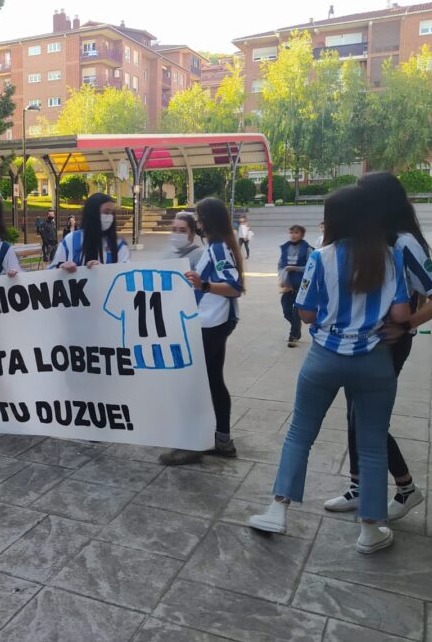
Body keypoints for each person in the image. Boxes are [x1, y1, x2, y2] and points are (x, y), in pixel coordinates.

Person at [248, 185, 410, 554]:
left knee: (299, 434)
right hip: (375, 360)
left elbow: (305, 313)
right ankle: (371, 530)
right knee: (372, 444)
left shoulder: (321, 257)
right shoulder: (391, 257)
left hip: (324, 357)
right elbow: (401, 313)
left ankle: (278, 510)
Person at [324, 172, 432, 521]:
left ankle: (406, 488)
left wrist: (406, 325)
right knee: (353, 415)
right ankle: (358, 486)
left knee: (367, 418)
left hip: (388, 346)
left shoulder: (403, 242)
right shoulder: (372, 239)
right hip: (362, 343)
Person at [159, 198, 244, 465]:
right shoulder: (218, 247)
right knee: (213, 381)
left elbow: (235, 287)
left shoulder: (219, 249)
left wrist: (203, 285)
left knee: (192, 384)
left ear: (207, 221)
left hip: (210, 324)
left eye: (199, 218)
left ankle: (192, 444)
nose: (197, 223)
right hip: (211, 322)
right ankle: (222, 441)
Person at [51, 193, 130, 270]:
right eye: (106, 212)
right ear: (92, 213)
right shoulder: (70, 241)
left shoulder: (119, 244)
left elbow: (126, 273)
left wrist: (103, 271)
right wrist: (61, 267)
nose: (110, 217)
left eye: (112, 213)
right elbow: (51, 270)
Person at [278, 225, 312, 348]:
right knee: (286, 311)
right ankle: (296, 327)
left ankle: (293, 336)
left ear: (302, 235)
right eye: (291, 232)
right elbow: (280, 265)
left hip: (302, 285)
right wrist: (282, 279)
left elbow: (310, 267)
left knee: (296, 312)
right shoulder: (285, 248)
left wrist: (295, 268)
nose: (293, 235)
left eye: (296, 232)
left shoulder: (307, 249)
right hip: (289, 286)